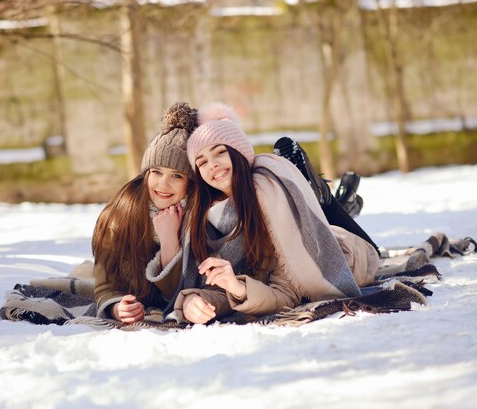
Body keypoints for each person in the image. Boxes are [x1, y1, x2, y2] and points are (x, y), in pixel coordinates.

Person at [173, 103, 381, 324]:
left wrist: (240, 288)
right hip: (321, 231)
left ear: (239, 153)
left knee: (374, 251)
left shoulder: (268, 200)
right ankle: (326, 200)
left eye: (220, 152)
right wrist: (193, 300)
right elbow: (221, 290)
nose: (212, 164)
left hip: (346, 254)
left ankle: (325, 200)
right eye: (202, 162)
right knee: (317, 215)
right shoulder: (202, 218)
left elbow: (288, 292)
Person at [92, 102, 198, 323]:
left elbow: (175, 294)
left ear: (191, 182)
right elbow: (106, 285)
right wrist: (116, 308)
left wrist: (170, 242)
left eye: (177, 175)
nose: (163, 184)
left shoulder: (200, 215)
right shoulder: (120, 213)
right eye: (156, 172)